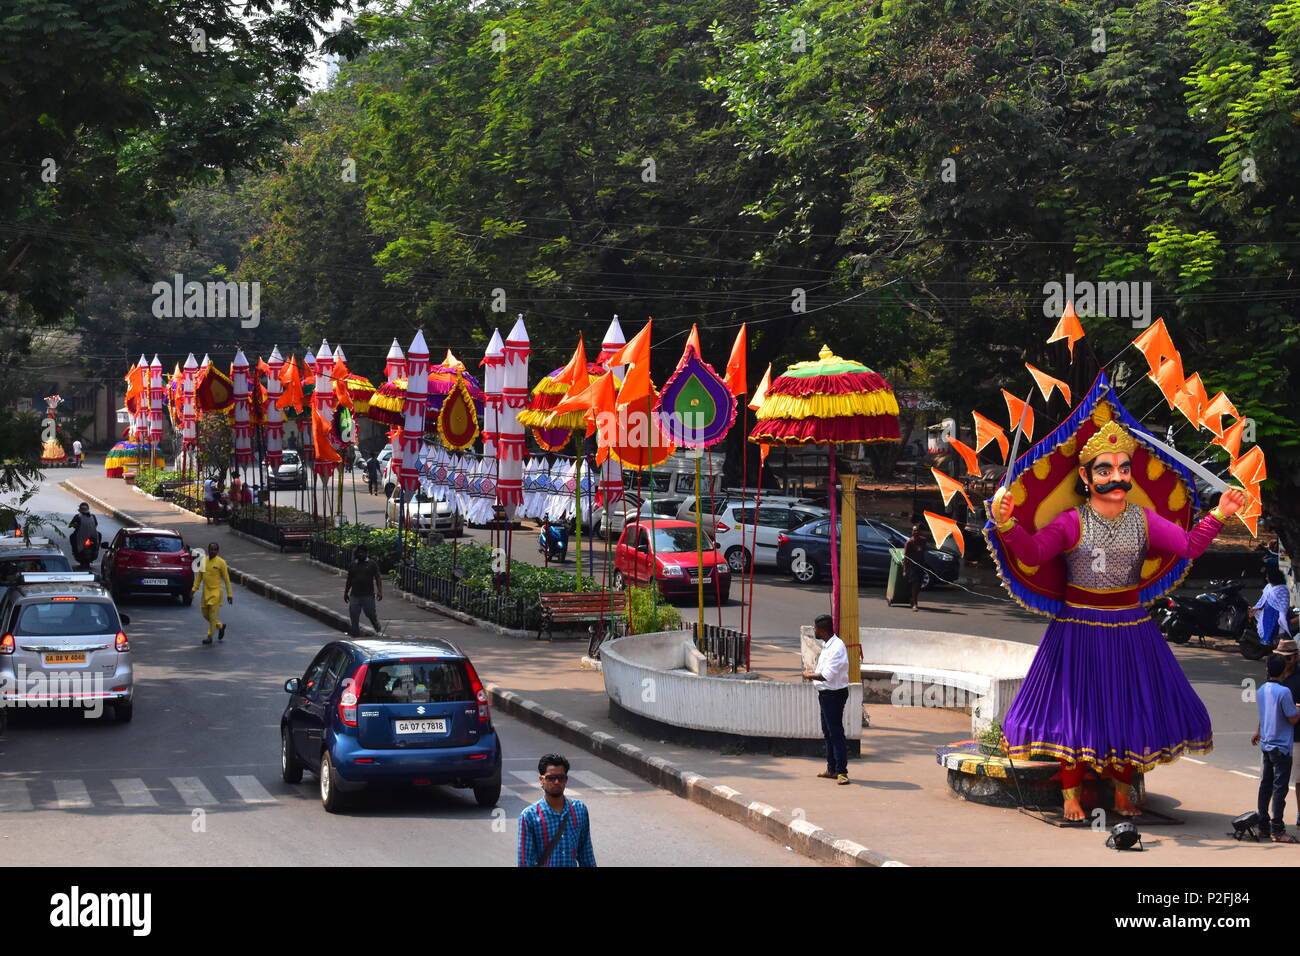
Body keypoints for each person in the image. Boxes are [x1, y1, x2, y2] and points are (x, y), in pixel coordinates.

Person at [991, 411, 1245, 821]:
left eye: (1124, 468)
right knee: (1076, 712)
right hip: (1077, 629)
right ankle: (1071, 795)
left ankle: (1124, 793)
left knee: (1131, 709)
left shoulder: (1144, 520)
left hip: (1131, 627)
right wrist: (1006, 524)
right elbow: (1033, 554)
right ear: (1087, 478)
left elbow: (1188, 546)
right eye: (1105, 469)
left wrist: (1219, 513)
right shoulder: (1071, 522)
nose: (1117, 476)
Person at [517, 753, 596, 867]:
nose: (556, 782)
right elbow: (525, 862)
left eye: (561, 778)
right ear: (541, 780)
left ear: (566, 780)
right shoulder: (529, 816)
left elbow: (586, 854)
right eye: (551, 778)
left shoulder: (579, 810)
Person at [1253, 653, 1300, 842]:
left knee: (1266, 786)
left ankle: (1263, 825)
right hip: (1282, 746)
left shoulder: (1262, 689)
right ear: (1283, 671)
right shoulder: (1284, 692)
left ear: (1267, 670)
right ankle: (1277, 830)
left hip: (1267, 743)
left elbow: (1265, 715)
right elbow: (1292, 718)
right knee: (1280, 789)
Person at [802, 613, 850, 784]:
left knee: (836, 732)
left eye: (816, 628)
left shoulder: (837, 648)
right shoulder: (828, 645)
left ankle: (842, 772)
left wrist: (809, 676)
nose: (814, 630)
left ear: (822, 630)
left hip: (834, 695)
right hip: (825, 694)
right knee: (828, 732)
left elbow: (827, 675)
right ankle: (832, 768)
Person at [192, 541, 233, 645]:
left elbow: (227, 579)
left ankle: (210, 637)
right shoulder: (203, 561)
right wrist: (193, 590)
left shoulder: (221, 562)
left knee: (212, 615)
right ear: (208, 550)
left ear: (218, 551)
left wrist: (230, 594)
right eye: (211, 549)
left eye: (215, 549)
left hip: (216, 593)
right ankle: (220, 626)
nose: (213, 551)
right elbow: (199, 578)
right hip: (205, 593)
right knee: (205, 614)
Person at [343, 544, 383, 638]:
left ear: (366, 553)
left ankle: (377, 628)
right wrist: (346, 592)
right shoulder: (353, 564)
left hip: (368, 594)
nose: (360, 554)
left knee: (370, 613)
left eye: (362, 552)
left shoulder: (372, 564)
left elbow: (377, 577)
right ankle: (355, 634)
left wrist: (379, 591)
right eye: (359, 552)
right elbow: (349, 579)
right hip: (355, 594)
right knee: (354, 615)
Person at [1249, 566, 1292, 648]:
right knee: (1265, 628)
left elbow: (1283, 606)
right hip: (1267, 613)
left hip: (1276, 613)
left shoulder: (1283, 589)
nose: (1266, 578)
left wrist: (1282, 617)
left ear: (1273, 578)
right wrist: (1256, 607)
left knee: (1275, 628)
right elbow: (1263, 598)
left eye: (1267, 577)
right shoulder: (1268, 586)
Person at [904, 524, 928, 612]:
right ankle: (915, 604)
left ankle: (912, 599)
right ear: (912, 532)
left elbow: (923, 552)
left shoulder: (923, 540)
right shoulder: (909, 543)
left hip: (921, 566)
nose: (915, 532)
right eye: (914, 531)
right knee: (915, 584)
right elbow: (906, 558)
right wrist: (905, 570)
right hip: (912, 567)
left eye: (917, 530)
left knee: (919, 585)